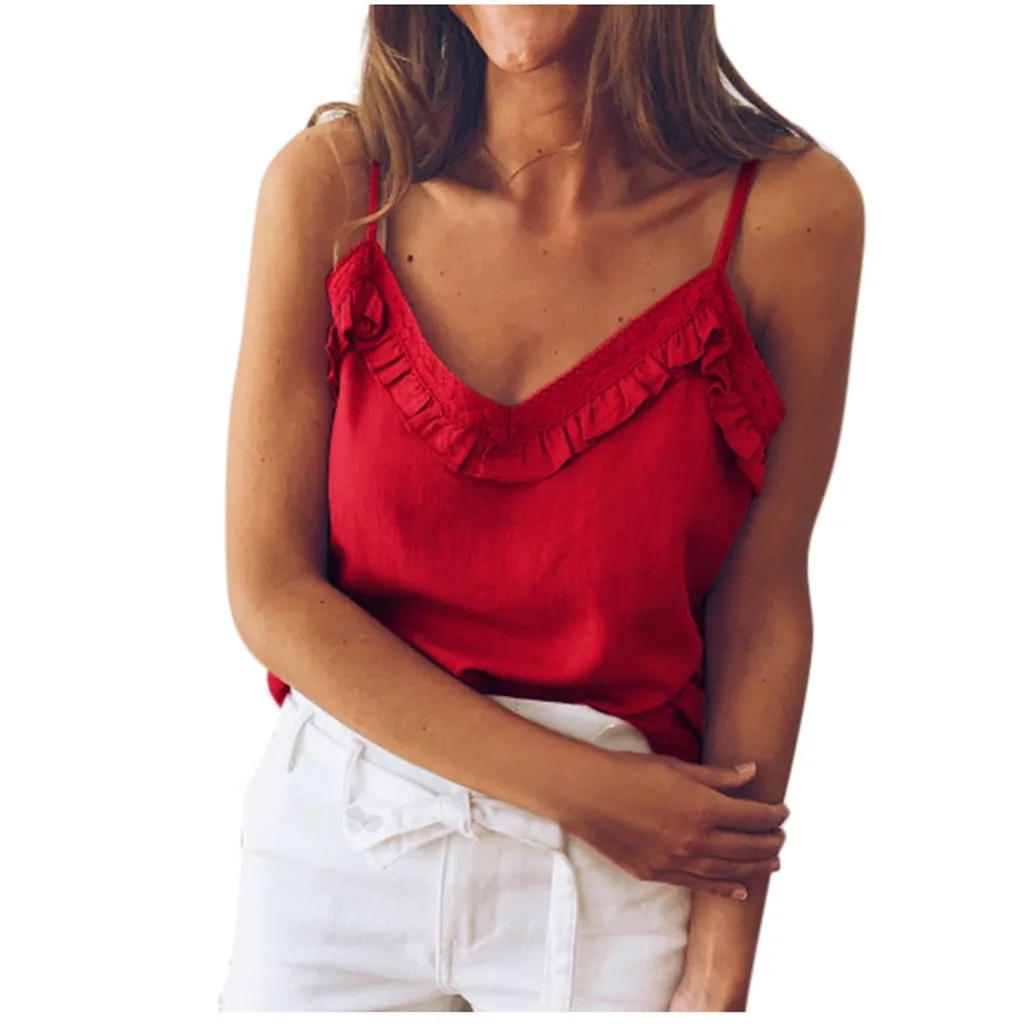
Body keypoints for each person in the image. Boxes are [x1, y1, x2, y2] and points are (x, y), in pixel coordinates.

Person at [218, 4, 863, 1013]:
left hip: (622, 888)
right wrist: (588, 793)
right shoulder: (335, 186)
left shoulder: (789, 214)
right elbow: (272, 595)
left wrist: (718, 968)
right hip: (339, 858)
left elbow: (762, 599)